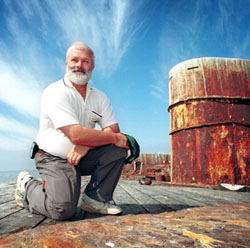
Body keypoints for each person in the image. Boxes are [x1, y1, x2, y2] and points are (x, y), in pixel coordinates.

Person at [15, 42, 136, 221]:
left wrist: (85, 146)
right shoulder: (55, 91)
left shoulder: (100, 97)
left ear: (92, 66)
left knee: (118, 147)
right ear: (66, 64)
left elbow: (114, 131)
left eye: (85, 61)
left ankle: (95, 199)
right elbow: (76, 134)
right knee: (62, 210)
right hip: (52, 157)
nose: (79, 65)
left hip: (82, 156)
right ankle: (27, 186)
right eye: (74, 60)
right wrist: (89, 141)